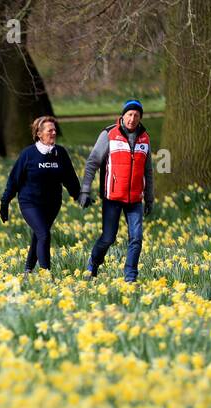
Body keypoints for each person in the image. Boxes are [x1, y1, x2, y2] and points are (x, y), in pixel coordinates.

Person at [80, 99, 154, 283]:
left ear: (140, 118)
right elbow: (92, 163)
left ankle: (130, 277)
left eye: (136, 116)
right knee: (108, 238)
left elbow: (148, 170)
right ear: (123, 116)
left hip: (135, 198)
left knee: (136, 238)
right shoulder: (109, 135)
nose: (132, 118)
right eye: (129, 114)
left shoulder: (145, 138)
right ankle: (93, 264)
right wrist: (85, 190)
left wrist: (150, 197)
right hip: (112, 196)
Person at [0, 115, 82, 274]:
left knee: (39, 236)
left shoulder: (60, 153)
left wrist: (79, 195)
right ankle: (46, 274)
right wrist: (5, 203)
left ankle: (28, 271)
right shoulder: (28, 154)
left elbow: (70, 178)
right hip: (30, 203)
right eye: (49, 130)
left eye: (54, 130)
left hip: (52, 204)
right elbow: (14, 180)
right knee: (44, 234)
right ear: (39, 134)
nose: (53, 133)